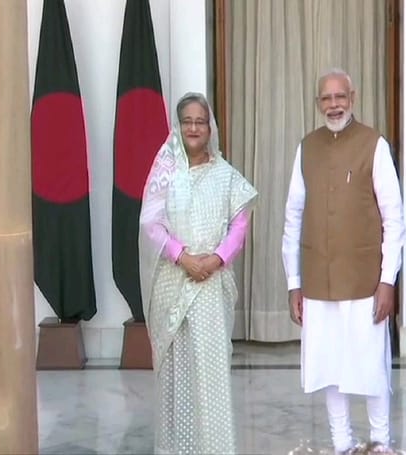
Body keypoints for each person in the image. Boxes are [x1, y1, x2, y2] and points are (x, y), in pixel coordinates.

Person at [282, 69, 406, 455]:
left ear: (353, 98)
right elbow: (293, 217)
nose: (333, 104)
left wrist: (388, 280)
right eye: (326, 98)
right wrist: (294, 282)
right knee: (329, 366)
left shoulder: (374, 144)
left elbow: (394, 219)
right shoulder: (307, 147)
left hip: (365, 281)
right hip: (318, 281)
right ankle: (342, 445)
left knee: (371, 369)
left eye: (340, 96)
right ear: (318, 103)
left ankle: (380, 444)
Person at [138, 92, 258, 454]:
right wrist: (182, 257)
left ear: (210, 128)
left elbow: (240, 226)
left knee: (210, 371)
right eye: (187, 121)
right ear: (178, 127)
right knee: (175, 372)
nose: (194, 128)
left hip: (211, 284)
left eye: (200, 121)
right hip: (173, 281)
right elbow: (150, 223)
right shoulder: (165, 171)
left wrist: (215, 260)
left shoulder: (226, 176)